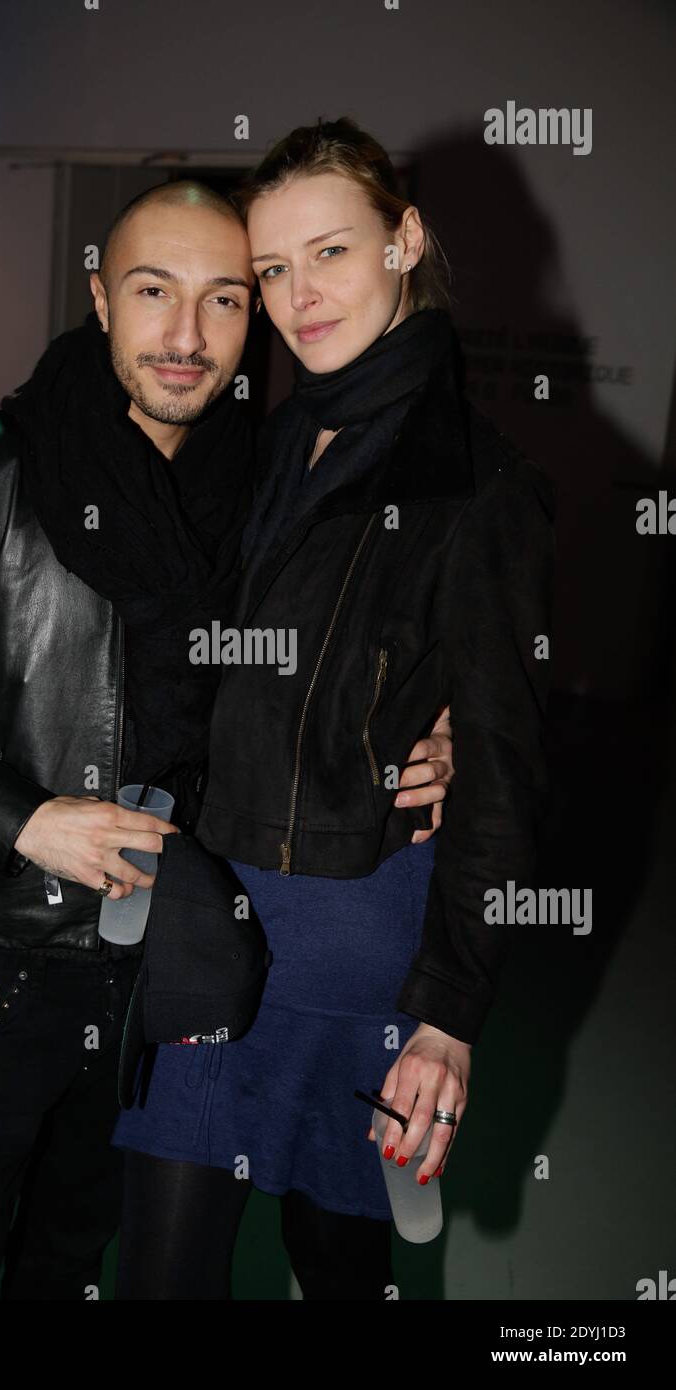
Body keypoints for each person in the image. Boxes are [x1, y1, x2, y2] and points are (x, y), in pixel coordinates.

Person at [0, 176, 455, 1300]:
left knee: (69, 1255)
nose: (185, 334)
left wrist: (425, 723)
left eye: (223, 301)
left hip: (146, 963)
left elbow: (315, 669)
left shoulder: (248, 503)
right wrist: (27, 819)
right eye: (154, 291)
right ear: (100, 298)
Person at [112, 119, 555, 1301]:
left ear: (404, 240)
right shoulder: (261, 443)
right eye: (272, 270)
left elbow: (504, 771)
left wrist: (448, 1015)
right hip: (210, 918)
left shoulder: (478, 484)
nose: (298, 297)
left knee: (338, 1268)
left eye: (331, 254)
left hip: (360, 946)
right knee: (160, 1266)